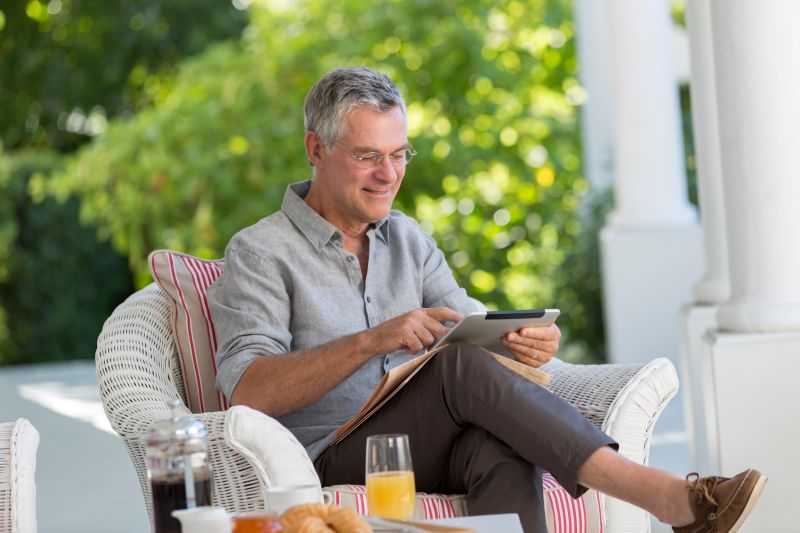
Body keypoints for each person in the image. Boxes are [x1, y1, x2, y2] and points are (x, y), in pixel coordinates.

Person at [207, 66, 765, 532]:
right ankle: (667, 498)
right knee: (456, 366)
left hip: (424, 444)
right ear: (315, 149)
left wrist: (523, 342)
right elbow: (247, 391)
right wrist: (371, 341)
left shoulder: (407, 239)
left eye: (400, 154)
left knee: (497, 444)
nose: (389, 174)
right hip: (331, 455)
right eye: (367, 156)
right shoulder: (261, 252)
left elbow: (468, 324)